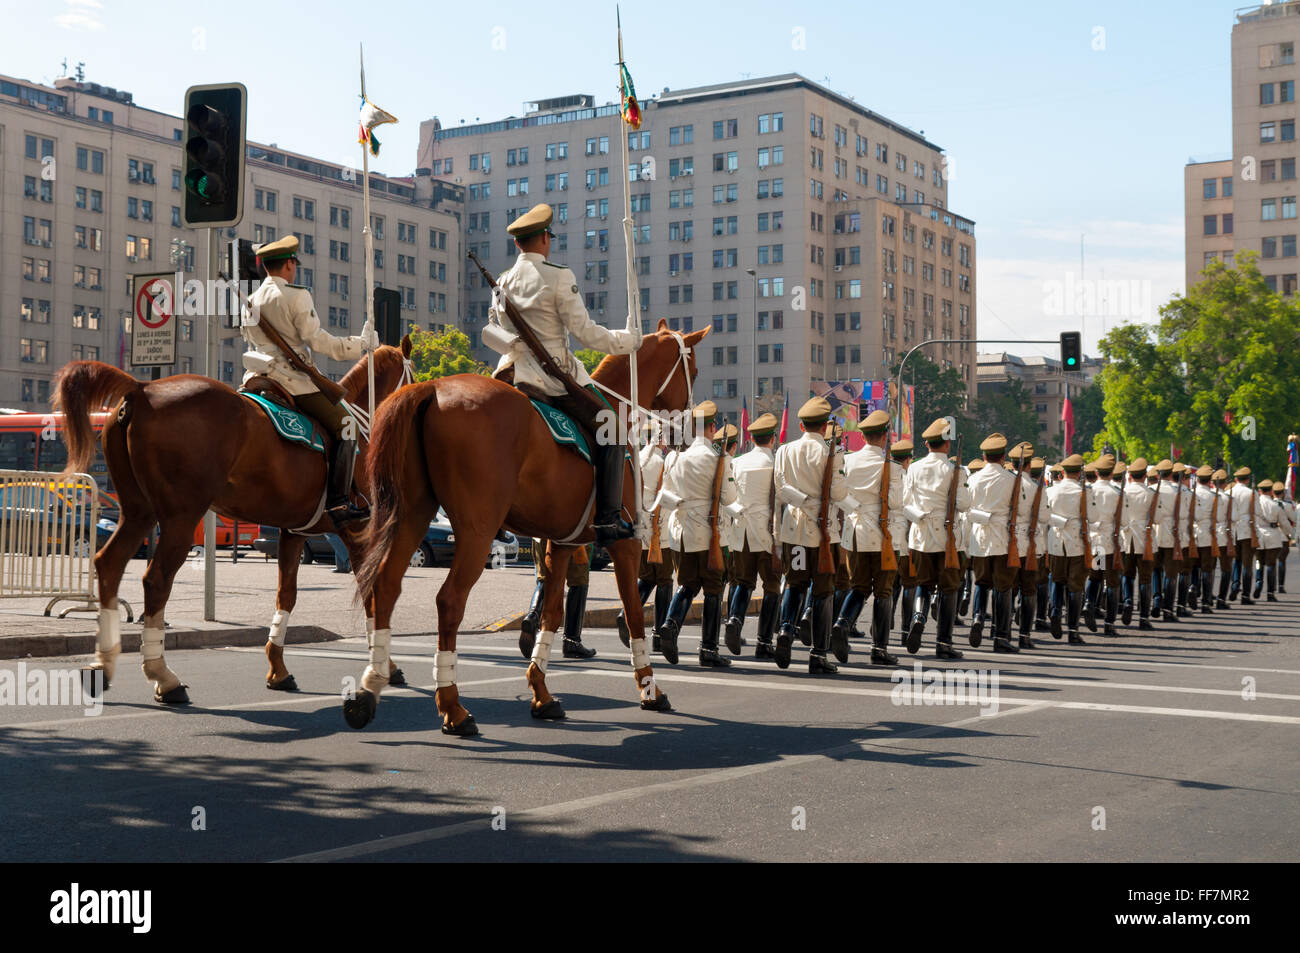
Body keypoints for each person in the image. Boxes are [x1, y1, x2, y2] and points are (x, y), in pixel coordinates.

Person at [487, 203, 641, 545]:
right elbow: (586, 333)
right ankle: (607, 519)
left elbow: (495, 328)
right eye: (549, 238)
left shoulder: (502, 282)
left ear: (517, 244)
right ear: (545, 238)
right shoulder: (559, 276)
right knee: (613, 432)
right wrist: (627, 340)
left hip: (511, 373)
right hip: (551, 380)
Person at [240, 235, 379, 527]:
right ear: (290, 264)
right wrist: (360, 344)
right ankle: (339, 502)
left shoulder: (250, 300)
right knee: (348, 427)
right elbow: (319, 342)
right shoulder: (295, 295)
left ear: (265, 267)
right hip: (292, 381)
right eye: (294, 263)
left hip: (257, 376)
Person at [656, 401, 738, 667]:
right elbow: (729, 497)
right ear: (713, 427)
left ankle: (670, 623)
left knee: (687, 585)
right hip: (708, 533)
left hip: (681, 535)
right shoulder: (719, 458)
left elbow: (664, 496)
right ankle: (709, 649)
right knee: (713, 590)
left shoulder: (674, 457)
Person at [773, 397, 847, 673]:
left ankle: (785, 629)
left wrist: (803, 500)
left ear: (801, 424)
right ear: (825, 425)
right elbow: (839, 494)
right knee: (823, 592)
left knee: (795, 584)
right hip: (824, 533)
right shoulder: (832, 452)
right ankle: (818, 654)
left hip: (795, 533)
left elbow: (781, 491)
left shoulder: (784, 451)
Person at [833, 409, 904, 667]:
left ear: (862, 436)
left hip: (854, 533)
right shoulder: (892, 468)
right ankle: (880, 649)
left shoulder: (848, 461)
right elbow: (896, 502)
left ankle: (842, 623)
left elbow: (839, 495)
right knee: (884, 591)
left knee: (859, 587)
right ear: (884, 437)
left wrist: (857, 508)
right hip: (884, 536)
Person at [901, 418, 971, 657]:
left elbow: (905, 503)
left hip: (920, 535)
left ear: (927, 444)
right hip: (947, 536)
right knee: (949, 588)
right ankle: (943, 642)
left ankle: (919, 617)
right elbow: (964, 503)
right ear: (947, 445)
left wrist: (921, 516)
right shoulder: (955, 471)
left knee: (923, 583)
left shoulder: (914, 467)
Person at [725, 413, 783, 660]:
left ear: (751, 438)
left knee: (743, 581)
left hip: (741, 530)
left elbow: (729, 496)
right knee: (771, 587)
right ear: (772, 438)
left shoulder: (737, 462)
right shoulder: (776, 463)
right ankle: (764, 641)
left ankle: (735, 619)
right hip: (767, 531)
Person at [617, 419, 674, 648]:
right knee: (664, 581)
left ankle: (625, 614)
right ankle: (659, 634)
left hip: (637, 530)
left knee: (646, 578)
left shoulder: (636, 459)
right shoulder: (663, 462)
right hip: (659, 532)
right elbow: (667, 499)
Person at [965, 434, 1019, 655]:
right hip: (1001, 538)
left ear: (983, 456)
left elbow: (967, 509)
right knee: (1003, 586)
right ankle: (1000, 636)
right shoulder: (1011, 479)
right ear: (1003, 456)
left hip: (979, 537)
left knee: (981, 583)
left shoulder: (974, 479)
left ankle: (978, 615)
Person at [1086, 454, 1125, 636]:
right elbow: (1124, 521)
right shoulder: (1116, 493)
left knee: (1095, 577)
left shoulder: (1088, 490)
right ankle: (1109, 623)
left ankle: (1089, 604)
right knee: (1112, 582)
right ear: (1111, 473)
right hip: (1110, 543)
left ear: (1096, 472)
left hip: (1095, 543)